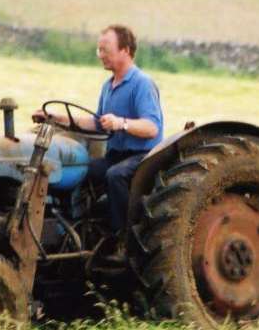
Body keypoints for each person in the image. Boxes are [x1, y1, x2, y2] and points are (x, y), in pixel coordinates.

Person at [34, 24, 164, 236]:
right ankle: (75, 226)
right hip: (114, 155)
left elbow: (152, 127)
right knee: (79, 169)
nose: (100, 55)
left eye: (106, 50)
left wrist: (121, 123)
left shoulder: (142, 83)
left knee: (115, 175)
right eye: (99, 50)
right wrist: (55, 117)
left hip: (142, 157)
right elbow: (96, 122)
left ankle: (123, 237)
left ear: (125, 50)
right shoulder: (108, 85)